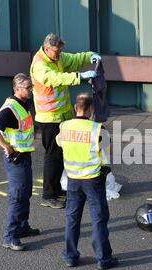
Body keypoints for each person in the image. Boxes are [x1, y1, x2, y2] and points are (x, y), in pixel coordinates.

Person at [31, 33, 101, 209]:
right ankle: (48, 195)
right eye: (56, 50)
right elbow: (55, 78)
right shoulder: (40, 65)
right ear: (47, 49)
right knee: (52, 156)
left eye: (60, 50)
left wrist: (89, 56)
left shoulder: (58, 58)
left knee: (61, 154)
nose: (59, 53)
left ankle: (56, 190)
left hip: (62, 115)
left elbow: (75, 59)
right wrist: (80, 77)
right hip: (49, 118)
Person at [56, 92, 117, 270]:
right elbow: (108, 149)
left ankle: (70, 256)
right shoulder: (98, 128)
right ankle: (103, 259)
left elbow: (59, 142)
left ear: (76, 108)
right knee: (98, 219)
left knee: (72, 218)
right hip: (93, 179)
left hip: (73, 179)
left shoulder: (64, 126)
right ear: (90, 110)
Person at [0, 73, 40, 251]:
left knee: (25, 194)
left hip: (24, 155)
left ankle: (23, 227)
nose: (31, 90)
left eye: (31, 87)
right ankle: (10, 237)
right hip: (16, 158)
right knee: (17, 196)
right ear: (17, 89)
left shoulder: (23, 103)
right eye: (28, 88)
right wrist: (6, 147)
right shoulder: (10, 109)